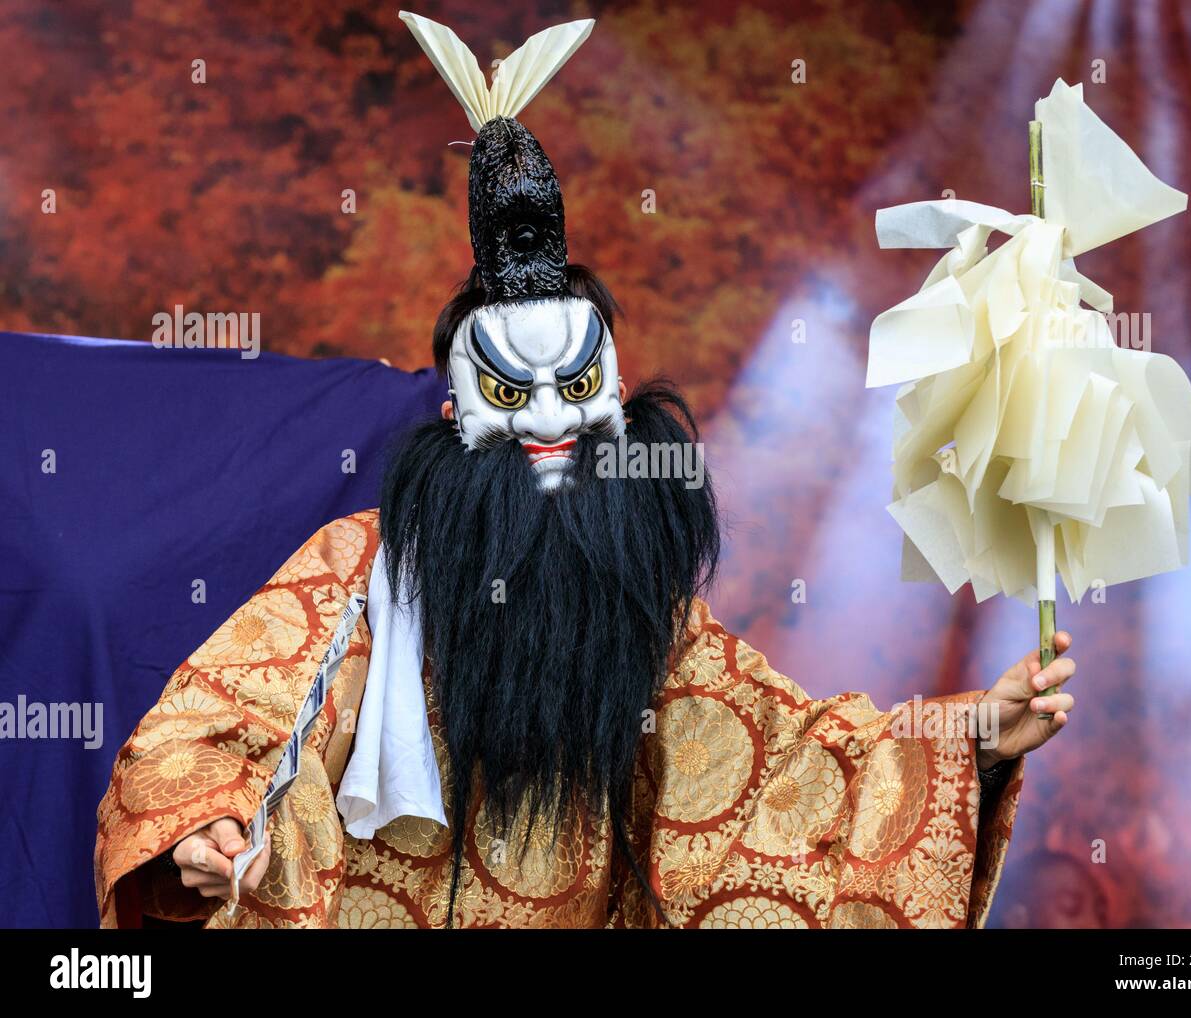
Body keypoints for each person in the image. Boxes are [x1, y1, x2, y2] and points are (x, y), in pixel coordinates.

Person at [94, 13, 1077, 929]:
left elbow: (779, 761)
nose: (553, 424)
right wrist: (210, 826)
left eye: (577, 386)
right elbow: (226, 709)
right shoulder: (358, 571)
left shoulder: (635, 601)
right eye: (512, 398)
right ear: (452, 415)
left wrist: (971, 737)